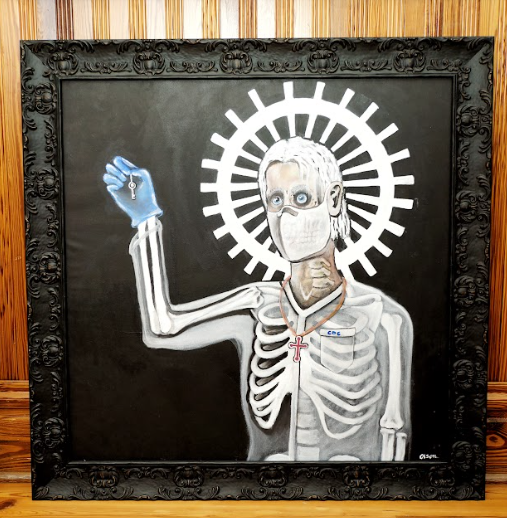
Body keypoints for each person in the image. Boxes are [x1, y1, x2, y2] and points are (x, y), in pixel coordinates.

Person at [103, 136, 413, 461]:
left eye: (301, 197)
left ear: (333, 199)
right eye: (276, 200)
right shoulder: (256, 306)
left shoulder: (384, 317)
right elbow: (163, 327)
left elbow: (394, 428)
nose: (287, 214)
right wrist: (146, 219)